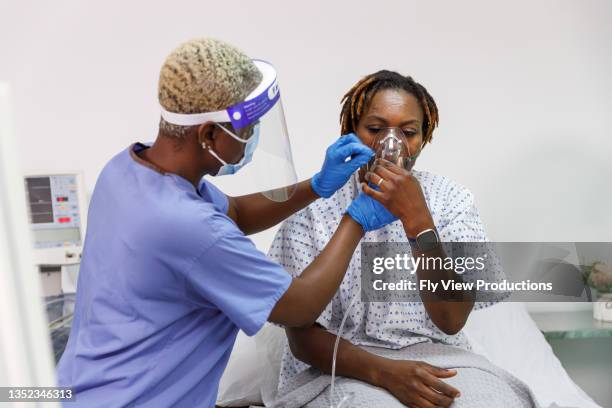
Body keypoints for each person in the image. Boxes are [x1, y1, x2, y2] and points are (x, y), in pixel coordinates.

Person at [56, 39, 399, 407]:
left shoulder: (125, 169)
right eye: (249, 130)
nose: (252, 139)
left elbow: (232, 211)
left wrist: (315, 186)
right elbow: (300, 307)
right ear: (208, 135)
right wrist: (356, 219)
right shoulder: (188, 227)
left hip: (83, 387)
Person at [269, 71, 539, 408]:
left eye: (408, 132)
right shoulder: (312, 210)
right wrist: (387, 373)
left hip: (442, 361)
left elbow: (451, 320)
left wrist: (418, 222)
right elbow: (302, 336)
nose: (391, 143)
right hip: (340, 367)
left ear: (423, 140)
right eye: (375, 129)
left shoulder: (451, 201)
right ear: (351, 131)